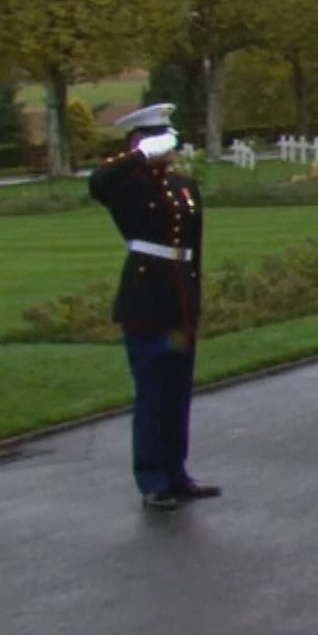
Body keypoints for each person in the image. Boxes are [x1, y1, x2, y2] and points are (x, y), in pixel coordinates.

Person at [89, 104, 221, 512]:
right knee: (152, 392)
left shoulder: (183, 185)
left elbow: (194, 247)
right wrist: (138, 156)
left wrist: (194, 302)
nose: (168, 149)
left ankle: (177, 473)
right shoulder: (127, 186)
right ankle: (153, 478)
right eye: (156, 141)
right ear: (139, 144)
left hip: (179, 301)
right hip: (147, 302)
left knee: (177, 391)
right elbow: (98, 181)